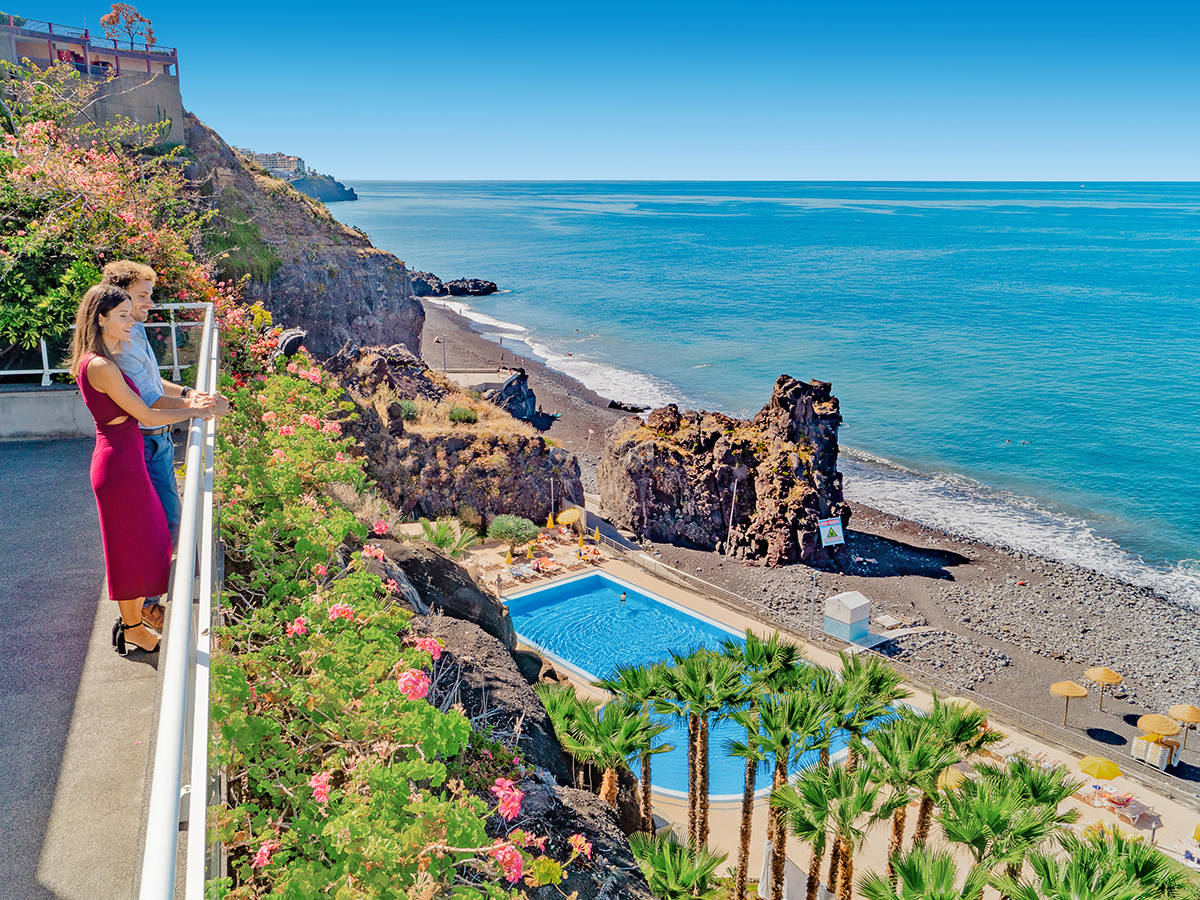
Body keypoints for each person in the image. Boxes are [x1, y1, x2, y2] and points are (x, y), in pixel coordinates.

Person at [68, 285, 216, 655]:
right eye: (122, 315)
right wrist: (197, 411)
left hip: (124, 459)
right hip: (119, 465)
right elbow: (147, 415)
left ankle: (133, 623)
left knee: (144, 544)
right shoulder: (100, 366)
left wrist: (190, 402)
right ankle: (133, 626)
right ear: (100, 319)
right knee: (136, 548)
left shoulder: (102, 359)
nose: (130, 321)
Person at [102, 261, 229, 629]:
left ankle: (150, 606)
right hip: (145, 443)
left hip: (157, 441)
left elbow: (155, 383)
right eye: (143, 296)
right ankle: (149, 608)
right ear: (121, 298)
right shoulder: (120, 348)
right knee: (165, 525)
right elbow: (149, 403)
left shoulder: (136, 332)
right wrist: (199, 409)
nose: (151, 302)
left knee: (167, 522)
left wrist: (190, 393)